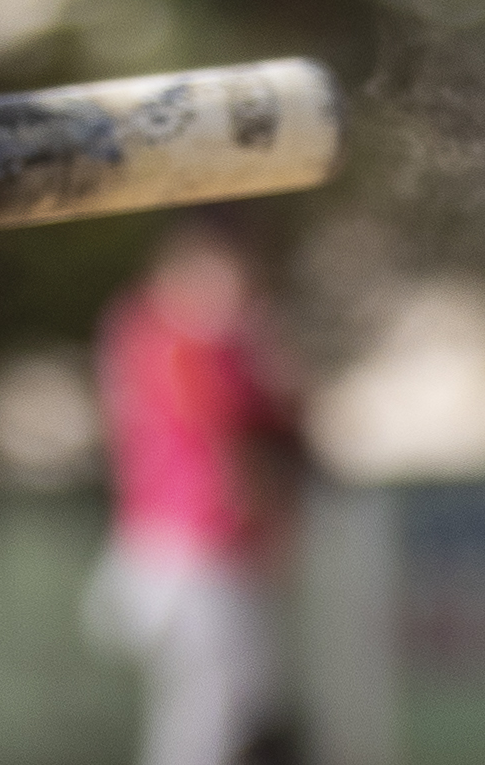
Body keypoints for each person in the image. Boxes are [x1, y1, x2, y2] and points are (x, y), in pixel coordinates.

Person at [88, 217, 309, 765]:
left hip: (190, 546)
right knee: (212, 711)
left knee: (236, 703)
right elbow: (236, 440)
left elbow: (281, 419)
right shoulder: (177, 337)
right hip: (187, 548)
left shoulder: (196, 336)